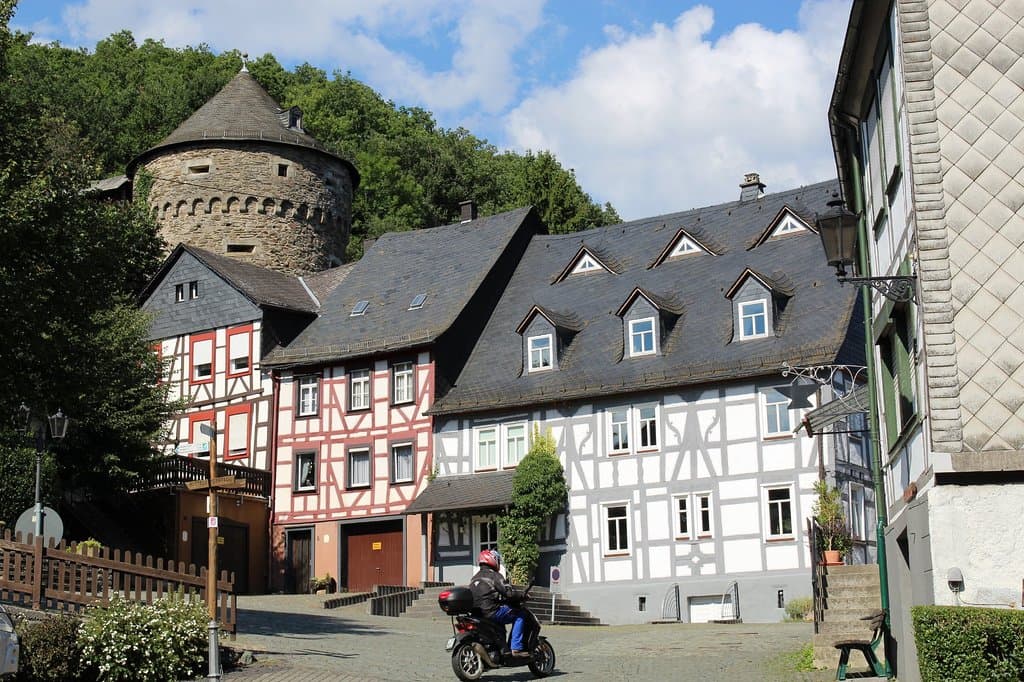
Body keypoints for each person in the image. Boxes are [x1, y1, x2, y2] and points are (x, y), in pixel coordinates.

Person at [468, 549, 529, 657]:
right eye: (498, 560)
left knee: (500, 623)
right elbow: (509, 593)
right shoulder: (495, 576)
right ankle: (516, 648)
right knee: (520, 614)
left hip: (477, 613)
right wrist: (521, 596)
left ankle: (502, 649)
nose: (499, 563)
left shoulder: (474, 578)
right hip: (492, 611)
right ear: (492, 560)